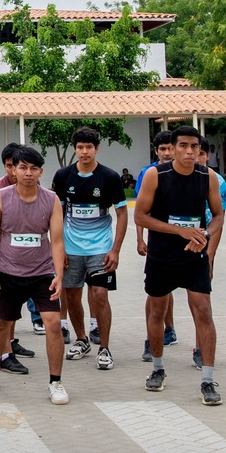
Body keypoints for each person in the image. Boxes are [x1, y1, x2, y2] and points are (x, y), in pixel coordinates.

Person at [135, 125, 225, 406]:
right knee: (157, 311)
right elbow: (140, 216)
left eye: (194, 147)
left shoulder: (207, 177)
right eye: (183, 146)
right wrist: (179, 231)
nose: (189, 151)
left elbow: (219, 215)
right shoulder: (155, 175)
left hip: (193, 255)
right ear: (172, 149)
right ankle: (158, 368)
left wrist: (205, 236)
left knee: (204, 311)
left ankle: (208, 379)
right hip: (162, 255)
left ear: (201, 150)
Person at [0, 145, 68, 404]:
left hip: (42, 274)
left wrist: (59, 274)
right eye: (23, 167)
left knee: (53, 324)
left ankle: (55, 382)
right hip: (8, 272)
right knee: (1, 324)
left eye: (33, 168)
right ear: (14, 170)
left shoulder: (51, 199)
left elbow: (57, 240)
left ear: (41, 171)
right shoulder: (1, 197)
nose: (28, 173)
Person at [54, 127, 132, 371]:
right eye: (80, 147)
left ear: (97, 149)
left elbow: (121, 213)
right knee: (72, 295)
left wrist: (115, 249)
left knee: (100, 294)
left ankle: (105, 347)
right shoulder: (64, 175)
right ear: (75, 149)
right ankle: (80, 340)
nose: (84, 152)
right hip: (71, 248)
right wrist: (59, 249)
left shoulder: (109, 177)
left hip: (100, 248)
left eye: (89, 147)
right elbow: (56, 213)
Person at [136, 130, 180, 362]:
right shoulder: (149, 174)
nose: (166, 153)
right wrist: (140, 238)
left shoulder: (192, 172)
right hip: (159, 243)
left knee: (193, 297)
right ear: (156, 151)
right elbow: (142, 211)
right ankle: (150, 339)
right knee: (156, 292)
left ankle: (170, 328)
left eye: (170, 148)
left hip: (187, 244)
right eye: (162, 149)